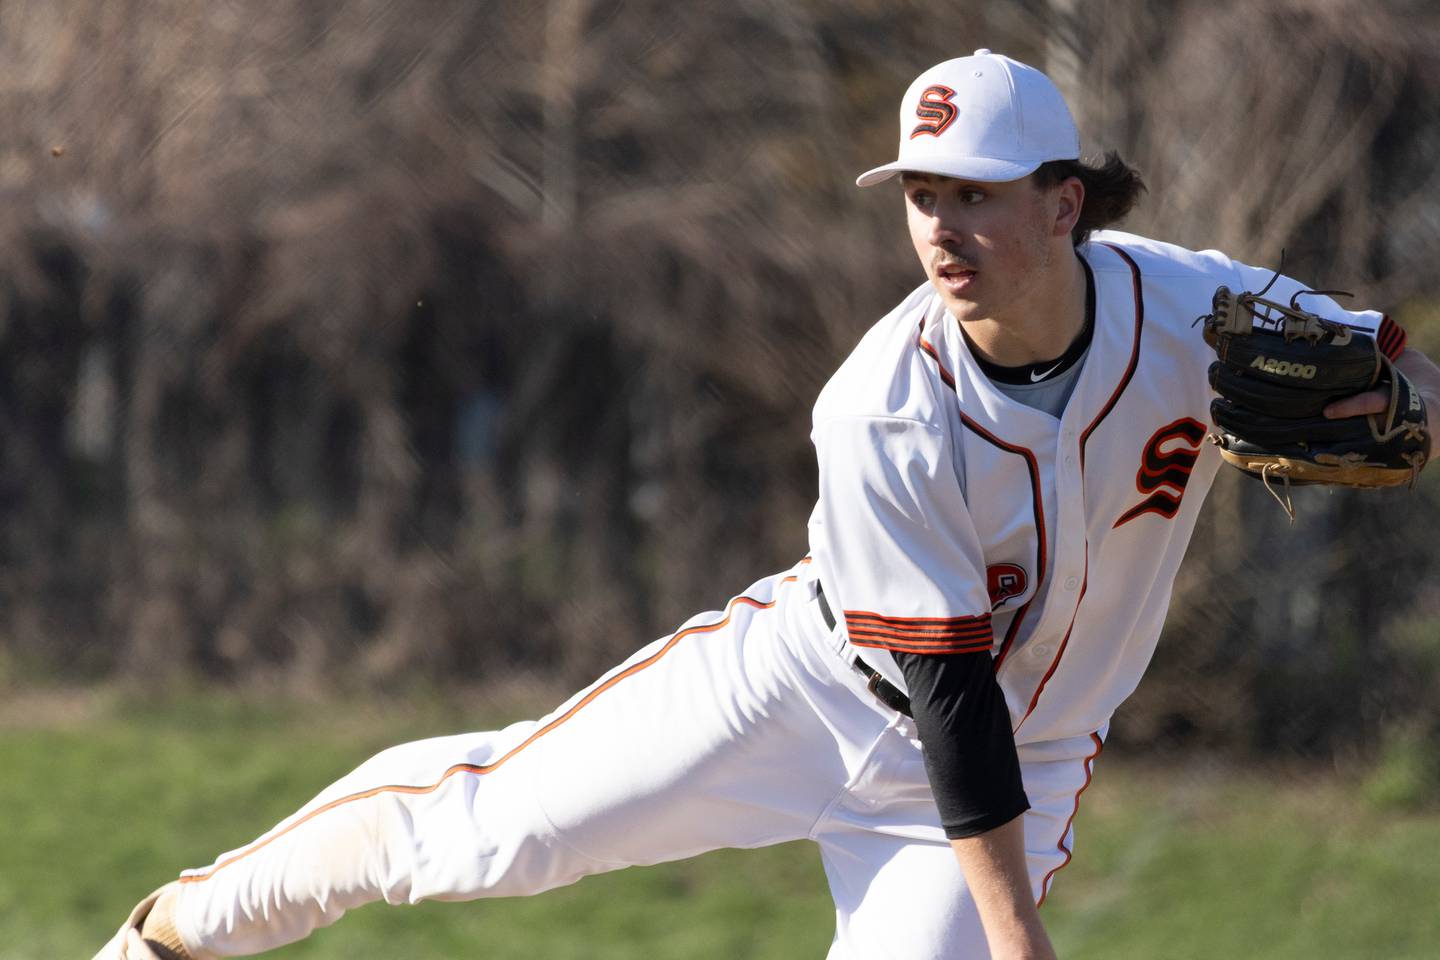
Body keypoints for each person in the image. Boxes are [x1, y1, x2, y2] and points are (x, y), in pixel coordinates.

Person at [96, 50, 1439, 960]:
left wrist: (1408, 416)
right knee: (481, 832)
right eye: (920, 196)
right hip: (799, 690)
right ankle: (171, 934)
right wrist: (1023, 941)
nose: (939, 228)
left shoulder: (1193, 305)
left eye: (973, 194)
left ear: (1062, 202)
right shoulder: (882, 404)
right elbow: (949, 695)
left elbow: (1404, 383)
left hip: (1008, 771)